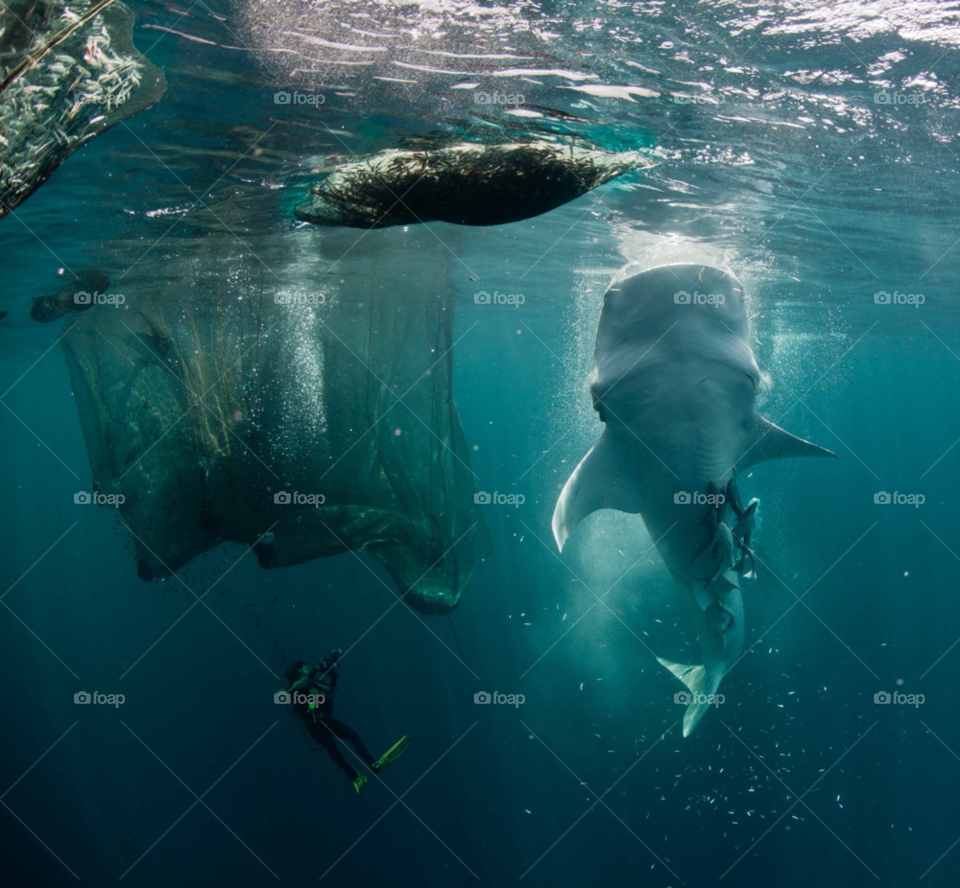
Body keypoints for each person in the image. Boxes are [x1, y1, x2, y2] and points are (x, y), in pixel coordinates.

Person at [282, 649, 408, 794]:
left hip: (326, 720)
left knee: (353, 736)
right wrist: (316, 669)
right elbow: (299, 687)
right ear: (299, 671)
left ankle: (373, 763)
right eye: (305, 666)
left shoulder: (315, 684)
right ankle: (351, 773)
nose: (308, 667)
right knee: (332, 747)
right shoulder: (293, 687)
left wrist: (334, 674)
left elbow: (330, 690)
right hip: (314, 726)